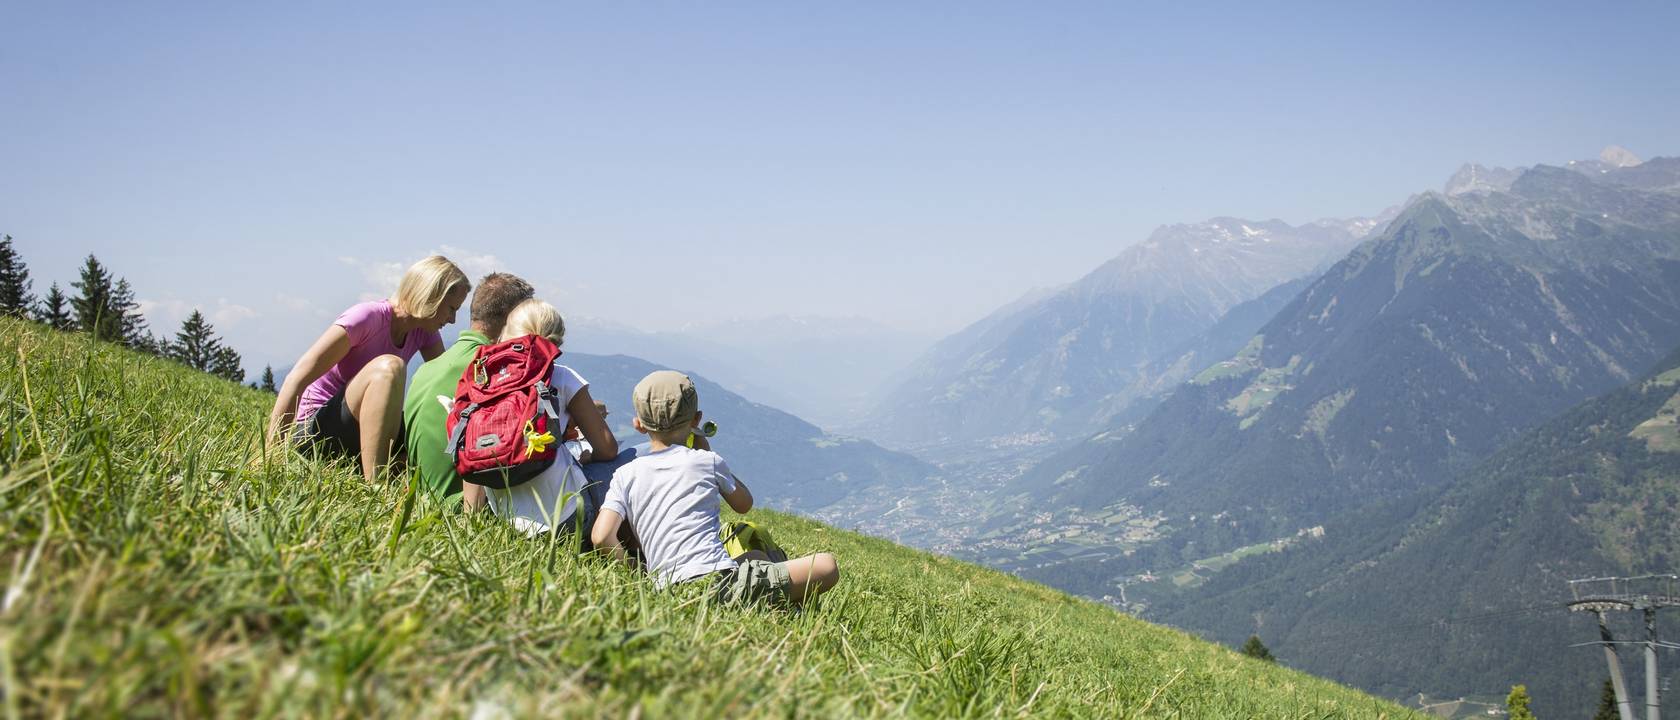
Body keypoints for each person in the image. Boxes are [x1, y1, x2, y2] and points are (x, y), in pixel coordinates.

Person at [590, 371, 839, 607]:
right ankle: (776, 606)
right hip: (718, 584)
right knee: (827, 565)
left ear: (638, 424)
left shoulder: (624, 475)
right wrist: (705, 450)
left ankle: (772, 603)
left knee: (755, 558)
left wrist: (635, 570)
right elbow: (744, 504)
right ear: (696, 420)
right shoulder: (706, 461)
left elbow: (601, 536)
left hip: (667, 590)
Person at [268, 255, 468, 483]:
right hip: (315, 433)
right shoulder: (366, 318)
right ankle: (376, 484)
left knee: (424, 426)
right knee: (390, 367)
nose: (453, 320)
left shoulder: (423, 331)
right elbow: (297, 378)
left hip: (356, 434)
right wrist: (272, 455)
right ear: (431, 296)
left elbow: (444, 383)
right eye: (451, 309)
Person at [469, 299, 618, 536]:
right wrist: (588, 458)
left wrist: (472, 520)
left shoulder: (482, 381)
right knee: (628, 464)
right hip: (566, 519)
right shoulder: (562, 377)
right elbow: (608, 449)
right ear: (556, 342)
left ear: (506, 334)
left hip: (506, 522)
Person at [402, 272, 535, 502]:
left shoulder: (426, 369)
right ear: (512, 319)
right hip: (461, 506)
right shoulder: (499, 372)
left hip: (420, 500)